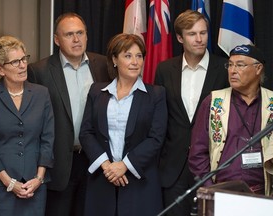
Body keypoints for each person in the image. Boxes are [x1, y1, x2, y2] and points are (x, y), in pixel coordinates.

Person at [27, 13, 111, 216]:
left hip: (96, 161)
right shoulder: (39, 71)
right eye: (69, 34)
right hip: (59, 165)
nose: (76, 40)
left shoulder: (102, 64)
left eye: (80, 33)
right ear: (57, 39)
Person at [79, 33, 168, 216]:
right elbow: (86, 133)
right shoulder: (97, 91)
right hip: (103, 179)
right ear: (114, 59)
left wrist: (124, 165)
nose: (135, 62)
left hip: (139, 181)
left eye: (139, 56)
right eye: (128, 56)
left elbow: (156, 138)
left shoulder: (156, 95)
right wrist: (107, 166)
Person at [154, 9, 230, 216]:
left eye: (203, 33)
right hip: (173, 169)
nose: (199, 39)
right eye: (192, 34)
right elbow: (160, 118)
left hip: (211, 166)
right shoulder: (164, 69)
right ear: (180, 37)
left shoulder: (224, 69)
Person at [189, 44, 273, 196]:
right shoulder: (214, 101)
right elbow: (197, 153)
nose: (232, 71)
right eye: (230, 65)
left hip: (263, 195)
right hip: (223, 192)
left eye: (240, 65)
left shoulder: (271, 102)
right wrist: (211, 189)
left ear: (258, 69)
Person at [0, 35, 54, 216]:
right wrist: (9, 182)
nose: (23, 65)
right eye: (15, 62)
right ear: (0, 68)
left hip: (35, 187)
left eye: (24, 58)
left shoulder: (42, 94)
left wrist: (39, 178)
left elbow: (47, 139)